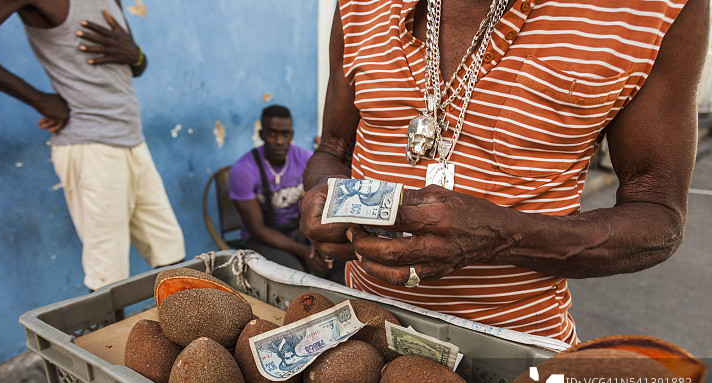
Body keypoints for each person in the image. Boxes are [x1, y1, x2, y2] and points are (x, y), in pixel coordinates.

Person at [300, 0, 708, 344]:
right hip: (362, 334)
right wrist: (322, 194)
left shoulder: (657, 9)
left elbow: (658, 216)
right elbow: (332, 147)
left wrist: (502, 237)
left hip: (515, 353)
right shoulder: (357, 5)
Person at [0, 0, 186, 291]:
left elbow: (133, 64)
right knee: (108, 280)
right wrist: (38, 99)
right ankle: (105, 339)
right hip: (92, 148)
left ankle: (185, 333)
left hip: (133, 141)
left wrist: (137, 55)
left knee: (173, 258)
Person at [229, 105, 341, 280]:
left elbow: (316, 205)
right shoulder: (243, 170)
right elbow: (256, 228)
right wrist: (303, 251)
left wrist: (314, 244)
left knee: (335, 258)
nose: (279, 140)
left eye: (285, 133)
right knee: (293, 275)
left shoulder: (304, 158)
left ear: (291, 135)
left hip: (298, 229)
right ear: (262, 135)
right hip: (263, 237)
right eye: (273, 133)